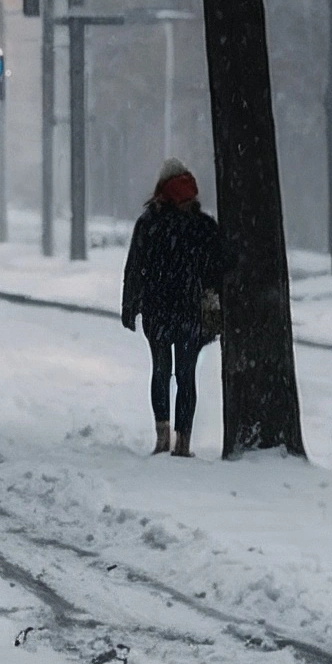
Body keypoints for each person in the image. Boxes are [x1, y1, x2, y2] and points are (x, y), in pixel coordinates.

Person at [121, 158, 224, 457]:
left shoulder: (149, 223)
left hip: (158, 310)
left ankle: (162, 436)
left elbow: (134, 267)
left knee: (161, 371)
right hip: (190, 310)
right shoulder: (202, 226)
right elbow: (218, 267)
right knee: (186, 374)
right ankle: (184, 442)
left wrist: (131, 304)